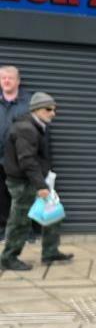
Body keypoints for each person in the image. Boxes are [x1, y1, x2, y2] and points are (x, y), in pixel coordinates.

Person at [1, 92, 73, 271]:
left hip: (36, 179)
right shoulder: (26, 128)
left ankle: (50, 252)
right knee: (20, 221)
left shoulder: (38, 125)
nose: (53, 113)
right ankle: (8, 258)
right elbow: (27, 160)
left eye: (54, 109)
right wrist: (41, 186)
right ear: (36, 110)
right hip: (24, 182)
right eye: (48, 109)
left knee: (53, 213)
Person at [0, 66, 32, 237]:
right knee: (1, 198)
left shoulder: (29, 103)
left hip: (21, 159)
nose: (6, 80)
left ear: (18, 81)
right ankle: (4, 230)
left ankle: (25, 232)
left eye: (10, 77)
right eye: (3, 77)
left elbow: (41, 132)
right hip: (0, 159)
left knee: (22, 198)